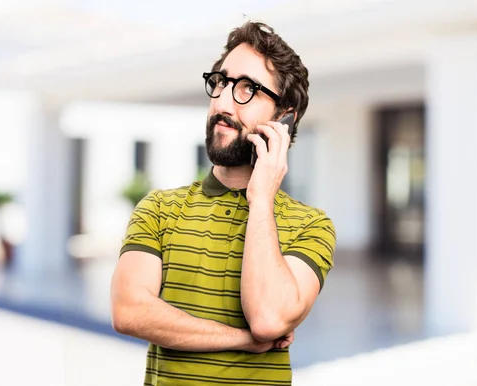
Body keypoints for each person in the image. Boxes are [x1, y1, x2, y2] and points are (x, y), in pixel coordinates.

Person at [110, 20, 336, 386]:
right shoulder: (160, 208)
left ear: (285, 118)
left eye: (247, 88)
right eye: (221, 82)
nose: (223, 101)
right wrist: (244, 340)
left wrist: (260, 197)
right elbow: (129, 311)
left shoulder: (311, 225)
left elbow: (268, 318)